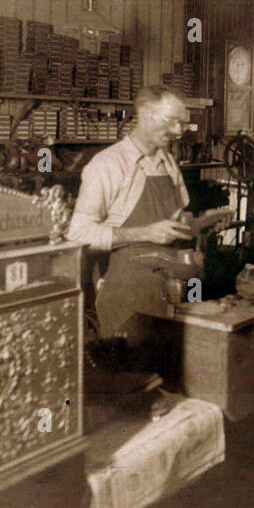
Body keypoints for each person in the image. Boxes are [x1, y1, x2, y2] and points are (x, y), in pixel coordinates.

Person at [67, 85, 194, 343]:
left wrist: (196, 223)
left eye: (183, 124)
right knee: (132, 375)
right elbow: (77, 232)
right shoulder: (108, 165)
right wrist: (145, 233)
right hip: (128, 294)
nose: (179, 132)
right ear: (146, 114)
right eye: (173, 122)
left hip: (170, 288)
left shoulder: (168, 162)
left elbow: (178, 216)